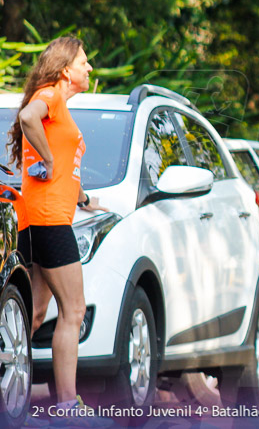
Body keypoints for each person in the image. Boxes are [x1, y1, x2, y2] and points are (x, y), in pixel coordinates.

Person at [7, 37, 109, 426]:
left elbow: (62, 168)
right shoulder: (49, 95)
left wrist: (84, 199)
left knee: (31, 316)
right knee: (74, 310)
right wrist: (48, 158)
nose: (90, 68)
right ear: (66, 68)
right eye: (84, 61)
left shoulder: (58, 103)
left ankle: (14, 401)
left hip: (38, 216)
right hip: (49, 219)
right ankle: (68, 410)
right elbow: (28, 119)